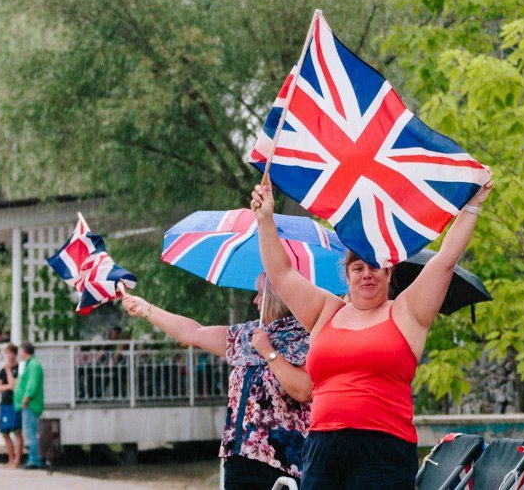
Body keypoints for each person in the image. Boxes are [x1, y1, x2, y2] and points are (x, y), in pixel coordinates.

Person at [251, 174, 494, 489]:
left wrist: (471, 206)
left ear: (389, 272)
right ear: (347, 276)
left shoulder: (406, 311)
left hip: (383, 452)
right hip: (323, 449)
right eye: (358, 268)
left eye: (375, 266)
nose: (367, 274)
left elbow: (445, 259)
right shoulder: (326, 310)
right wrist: (265, 220)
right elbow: (281, 273)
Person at [122, 273, 312, 489]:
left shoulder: (305, 338)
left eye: (260, 294)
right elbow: (194, 333)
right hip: (239, 460)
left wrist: (268, 352)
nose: (255, 301)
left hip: (283, 466)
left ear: (277, 299)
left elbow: (304, 390)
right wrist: (146, 309)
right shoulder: (248, 335)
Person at [14, 341, 45, 469]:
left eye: (20, 351)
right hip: (26, 404)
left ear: (24, 351)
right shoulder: (26, 364)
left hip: (30, 404)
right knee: (30, 433)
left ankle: (35, 459)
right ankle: (33, 458)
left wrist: (26, 398)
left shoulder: (34, 365)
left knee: (32, 433)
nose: (18, 354)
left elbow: (32, 384)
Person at [0, 343, 22, 468]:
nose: (8, 356)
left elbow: (14, 385)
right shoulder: (2, 371)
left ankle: (17, 460)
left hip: (14, 403)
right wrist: (7, 387)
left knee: (17, 432)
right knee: (5, 432)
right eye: (6, 353)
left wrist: (8, 371)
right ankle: (10, 458)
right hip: (4, 404)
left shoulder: (19, 368)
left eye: (10, 353)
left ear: (15, 354)